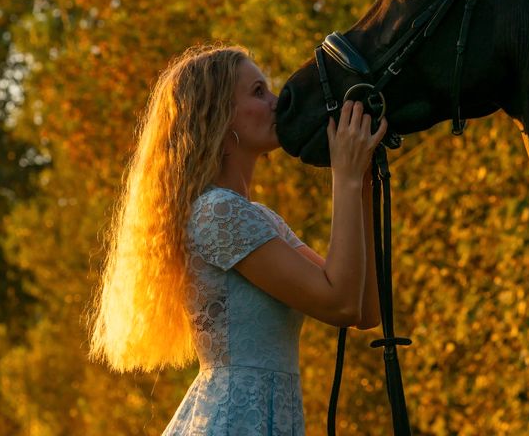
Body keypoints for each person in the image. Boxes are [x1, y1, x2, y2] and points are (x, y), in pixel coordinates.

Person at [88, 44, 384, 434]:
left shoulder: (258, 218)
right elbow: (340, 304)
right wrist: (343, 178)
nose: (276, 103)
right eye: (258, 92)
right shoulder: (218, 212)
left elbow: (363, 308)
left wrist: (361, 181)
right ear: (217, 117)